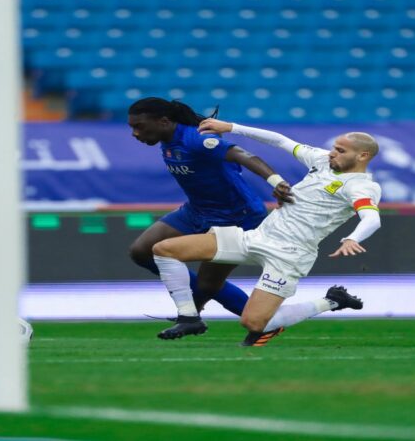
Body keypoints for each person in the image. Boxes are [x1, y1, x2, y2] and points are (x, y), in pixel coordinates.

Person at [152, 118, 382, 346]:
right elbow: (280, 141)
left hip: (289, 254)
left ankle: (332, 301)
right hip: (255, 237)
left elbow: (371, 218)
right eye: (334, 148)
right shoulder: (321, 159)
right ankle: (189, 317)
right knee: (165, 250)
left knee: (253, 323)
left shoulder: (361, 186)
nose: (332, 153)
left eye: (341, 151)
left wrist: (352, 238)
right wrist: (231, 127)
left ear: (362, 156)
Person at [126, 98, 294, 340]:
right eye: (132, 127)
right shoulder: (168, 139)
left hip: (235, 217)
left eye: (139, 126)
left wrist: (276, 181)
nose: (135, 133)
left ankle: (267, 323)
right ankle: (192, 313)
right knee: (141, 251)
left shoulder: (197, 140)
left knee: (208, 285)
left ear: (163, 121)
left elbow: (243, 155)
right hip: (196, 211)